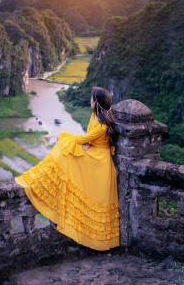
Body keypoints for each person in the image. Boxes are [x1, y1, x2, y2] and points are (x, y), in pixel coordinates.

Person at [15, 86, 120, 251]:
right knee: (67, 149)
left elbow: (86, 138)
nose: (90, 100)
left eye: (92, 98)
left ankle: (45, 177)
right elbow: (88, 139)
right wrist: (82, 142)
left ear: (97, 102)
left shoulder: (102, 124)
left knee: (66, 150)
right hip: (93, 152)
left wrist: (65, 136)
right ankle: (45, 175)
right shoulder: (95, 116)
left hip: (99, 160)